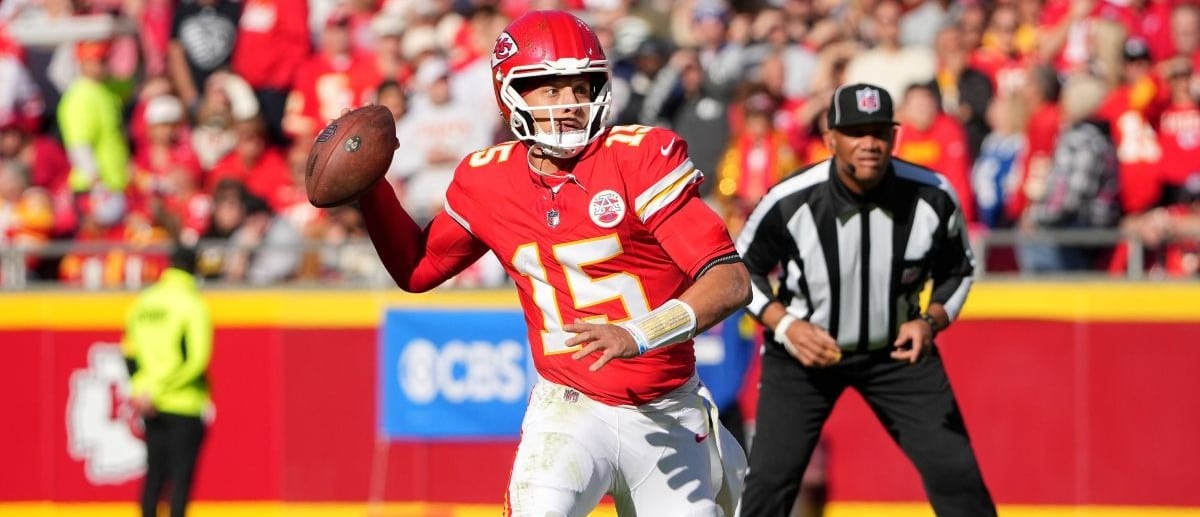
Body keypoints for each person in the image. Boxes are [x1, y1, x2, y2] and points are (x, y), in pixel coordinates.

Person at [357, 10, 750, 516]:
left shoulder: (637, 158)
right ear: (511, 96)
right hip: (570, 407)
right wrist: (372, 190)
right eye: (550, 90)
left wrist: (639, 333)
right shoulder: (487, 179)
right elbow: (416, 269)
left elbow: (729, 279)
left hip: (668, 412)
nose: (569, 105)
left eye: (580, 88)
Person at [735, 83, 996, 516]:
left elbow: (959, 270)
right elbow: (741, 272)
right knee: (769, 482)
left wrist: (929, 322)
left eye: (879, 131)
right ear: (831, 138)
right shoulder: (791, 199)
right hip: (804, 353)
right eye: (856, 131)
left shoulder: (932, 194)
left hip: (896, 355)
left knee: (957, 474)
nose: (869, 144)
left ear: (895, 136)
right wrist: (787, 326)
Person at [122, 245, 213, 517]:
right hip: (183, 404)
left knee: (154, 478)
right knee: (180, 481)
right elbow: (196, 360)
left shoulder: (145, 301)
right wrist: (160, 390)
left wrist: (144, 391)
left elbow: (129, 353)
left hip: (149, 403)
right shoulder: (193, 303)